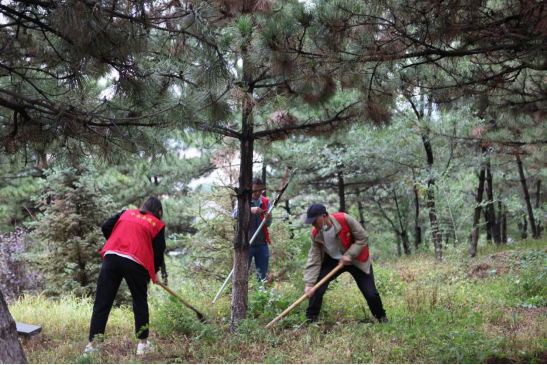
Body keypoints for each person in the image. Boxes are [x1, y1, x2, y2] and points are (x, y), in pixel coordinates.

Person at [85, 197, 166, 356]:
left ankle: (91, 347)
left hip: (112, 256)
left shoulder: (126, 213)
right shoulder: (157, 224)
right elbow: (158, 251)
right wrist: (155, 272)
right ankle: (142, 345)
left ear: (143, 206)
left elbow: (105, 226)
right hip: (135, 261)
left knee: (102, 302)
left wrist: (118, 241)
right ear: (159, 212)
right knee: (139, 301)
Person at [303, 203, 388, 323]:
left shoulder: (344, 219)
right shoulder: (316, 234)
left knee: (371, 293)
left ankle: (381, 317)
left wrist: (349, 254)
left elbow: (362, 238)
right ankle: (310, 320)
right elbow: (314, 258)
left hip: (356, 259)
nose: (313, 225)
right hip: (333, 261)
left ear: (323, 216)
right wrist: (309, 283)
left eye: (314, 221)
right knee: (316, 287)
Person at [232, 178, 273, 282]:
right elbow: (235, 214)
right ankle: (242, 297)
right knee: (242, 275)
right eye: (255, 190)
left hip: (262, 245)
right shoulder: (243, 200)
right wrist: (249, 210)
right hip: (246, 245)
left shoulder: (266, 202)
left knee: (262, 276)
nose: (258, 193)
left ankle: (261, 296)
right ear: (251, 188)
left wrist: (268, 219)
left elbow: (268, 224)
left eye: (261, 190)